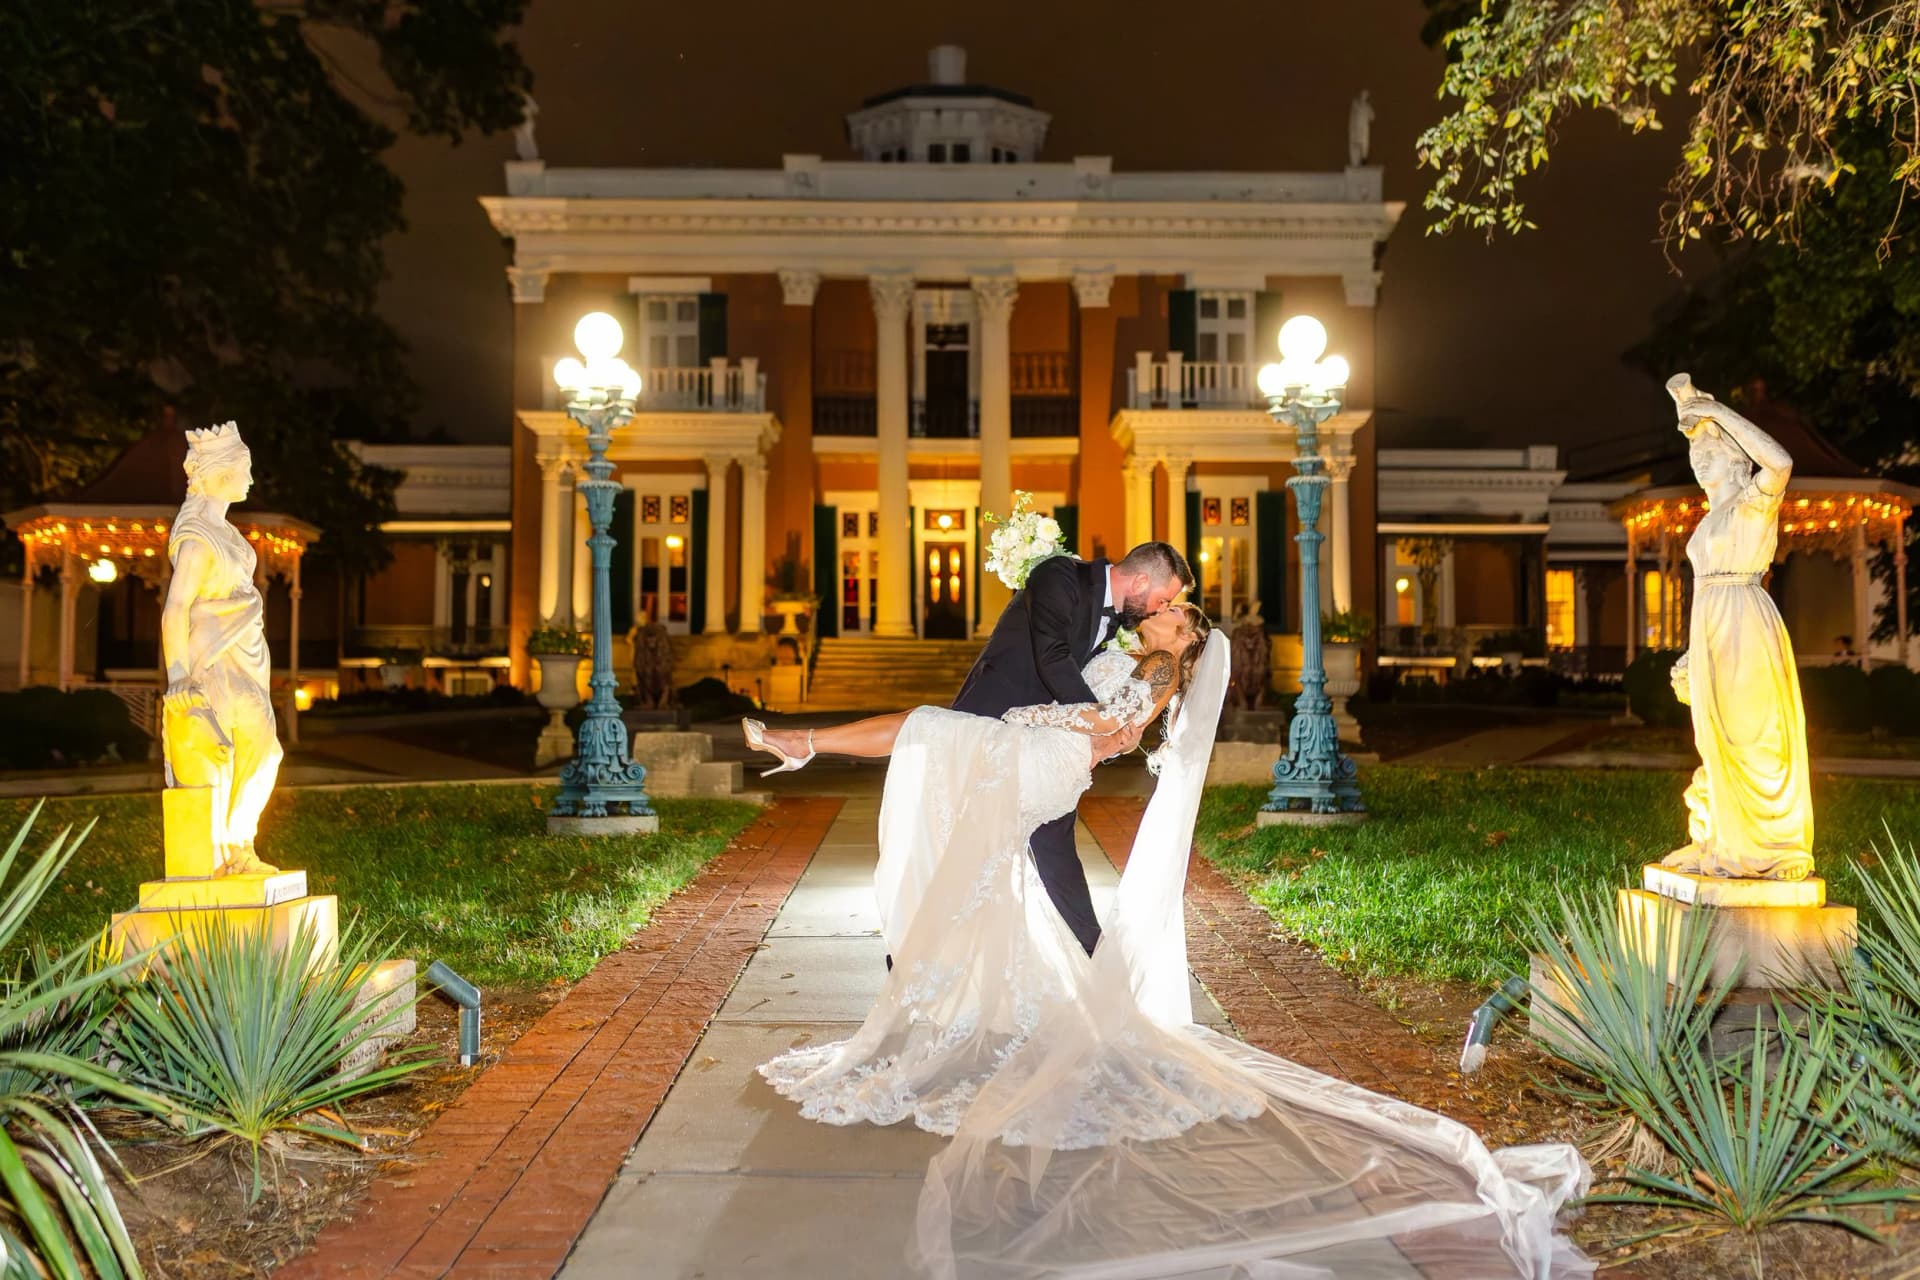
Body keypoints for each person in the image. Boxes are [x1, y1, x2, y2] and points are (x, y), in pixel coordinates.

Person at [752, 600, 1591, 1278]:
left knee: (928, 728)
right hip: (1039, 757)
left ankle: (807, 743)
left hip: (1042, 756)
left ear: (1182, 641)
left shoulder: (1158, 667)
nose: (1164, 612)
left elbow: (1114, 731)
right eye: (1169, 608)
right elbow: (1101, 714)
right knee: (957, 799)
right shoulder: (1141, 653)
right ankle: (968, 984)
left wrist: (1036, 712)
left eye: (1179, 615)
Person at [1660, 376, 1815, 881]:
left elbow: (1782, 462)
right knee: (1714, 740)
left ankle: (1774, 849)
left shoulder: (1755, 499)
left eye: (1711, 449)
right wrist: (1691, 655)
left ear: (1735, 457)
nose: (1699, 459)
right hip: (1712, 625)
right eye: (1694, 453)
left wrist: (1720, 413)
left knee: (1753, 738)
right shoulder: (1708, 521)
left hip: (1746, 623)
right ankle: (1720, 841)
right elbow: (1702, 591)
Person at [160, 422, 282, 876]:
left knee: (263, 748)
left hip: (246, 652)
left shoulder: (225, 530)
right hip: (213, 658)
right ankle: (229, 851)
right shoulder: (197, 535)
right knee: (232, 750)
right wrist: (178, 679)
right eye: (244, 469)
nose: (250, 479)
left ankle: (241, 845)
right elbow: (175, 608)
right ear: (218, 472)